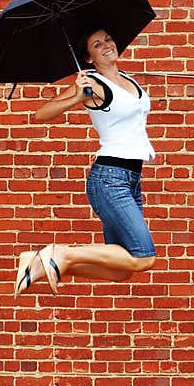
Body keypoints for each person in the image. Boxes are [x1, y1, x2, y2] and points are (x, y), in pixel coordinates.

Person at [14, 28, 157, 297]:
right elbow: (42, 114)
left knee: (122, 270)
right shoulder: (92, 82)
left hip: (129, 178)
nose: (107, 45)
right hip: (110, 179)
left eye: (109, 39)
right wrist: (78, 98)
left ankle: (40, 262)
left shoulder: (126, 79)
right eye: (97, 44)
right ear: (89, 57)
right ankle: (61, 252)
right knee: (144, 256)